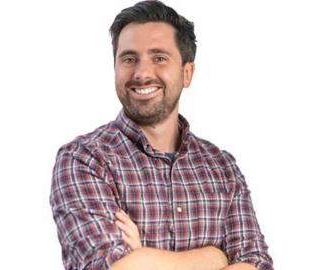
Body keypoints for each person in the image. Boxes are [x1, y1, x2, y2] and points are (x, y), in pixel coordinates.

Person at [50, 1, 273, 269]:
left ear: (187, 72)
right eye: (129, 59)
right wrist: (215, 256)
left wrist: (143, 256)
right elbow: (109, 267)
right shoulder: (85, 159)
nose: (142, 73)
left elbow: (256, 263)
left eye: (159, 58)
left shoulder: (222, 167)